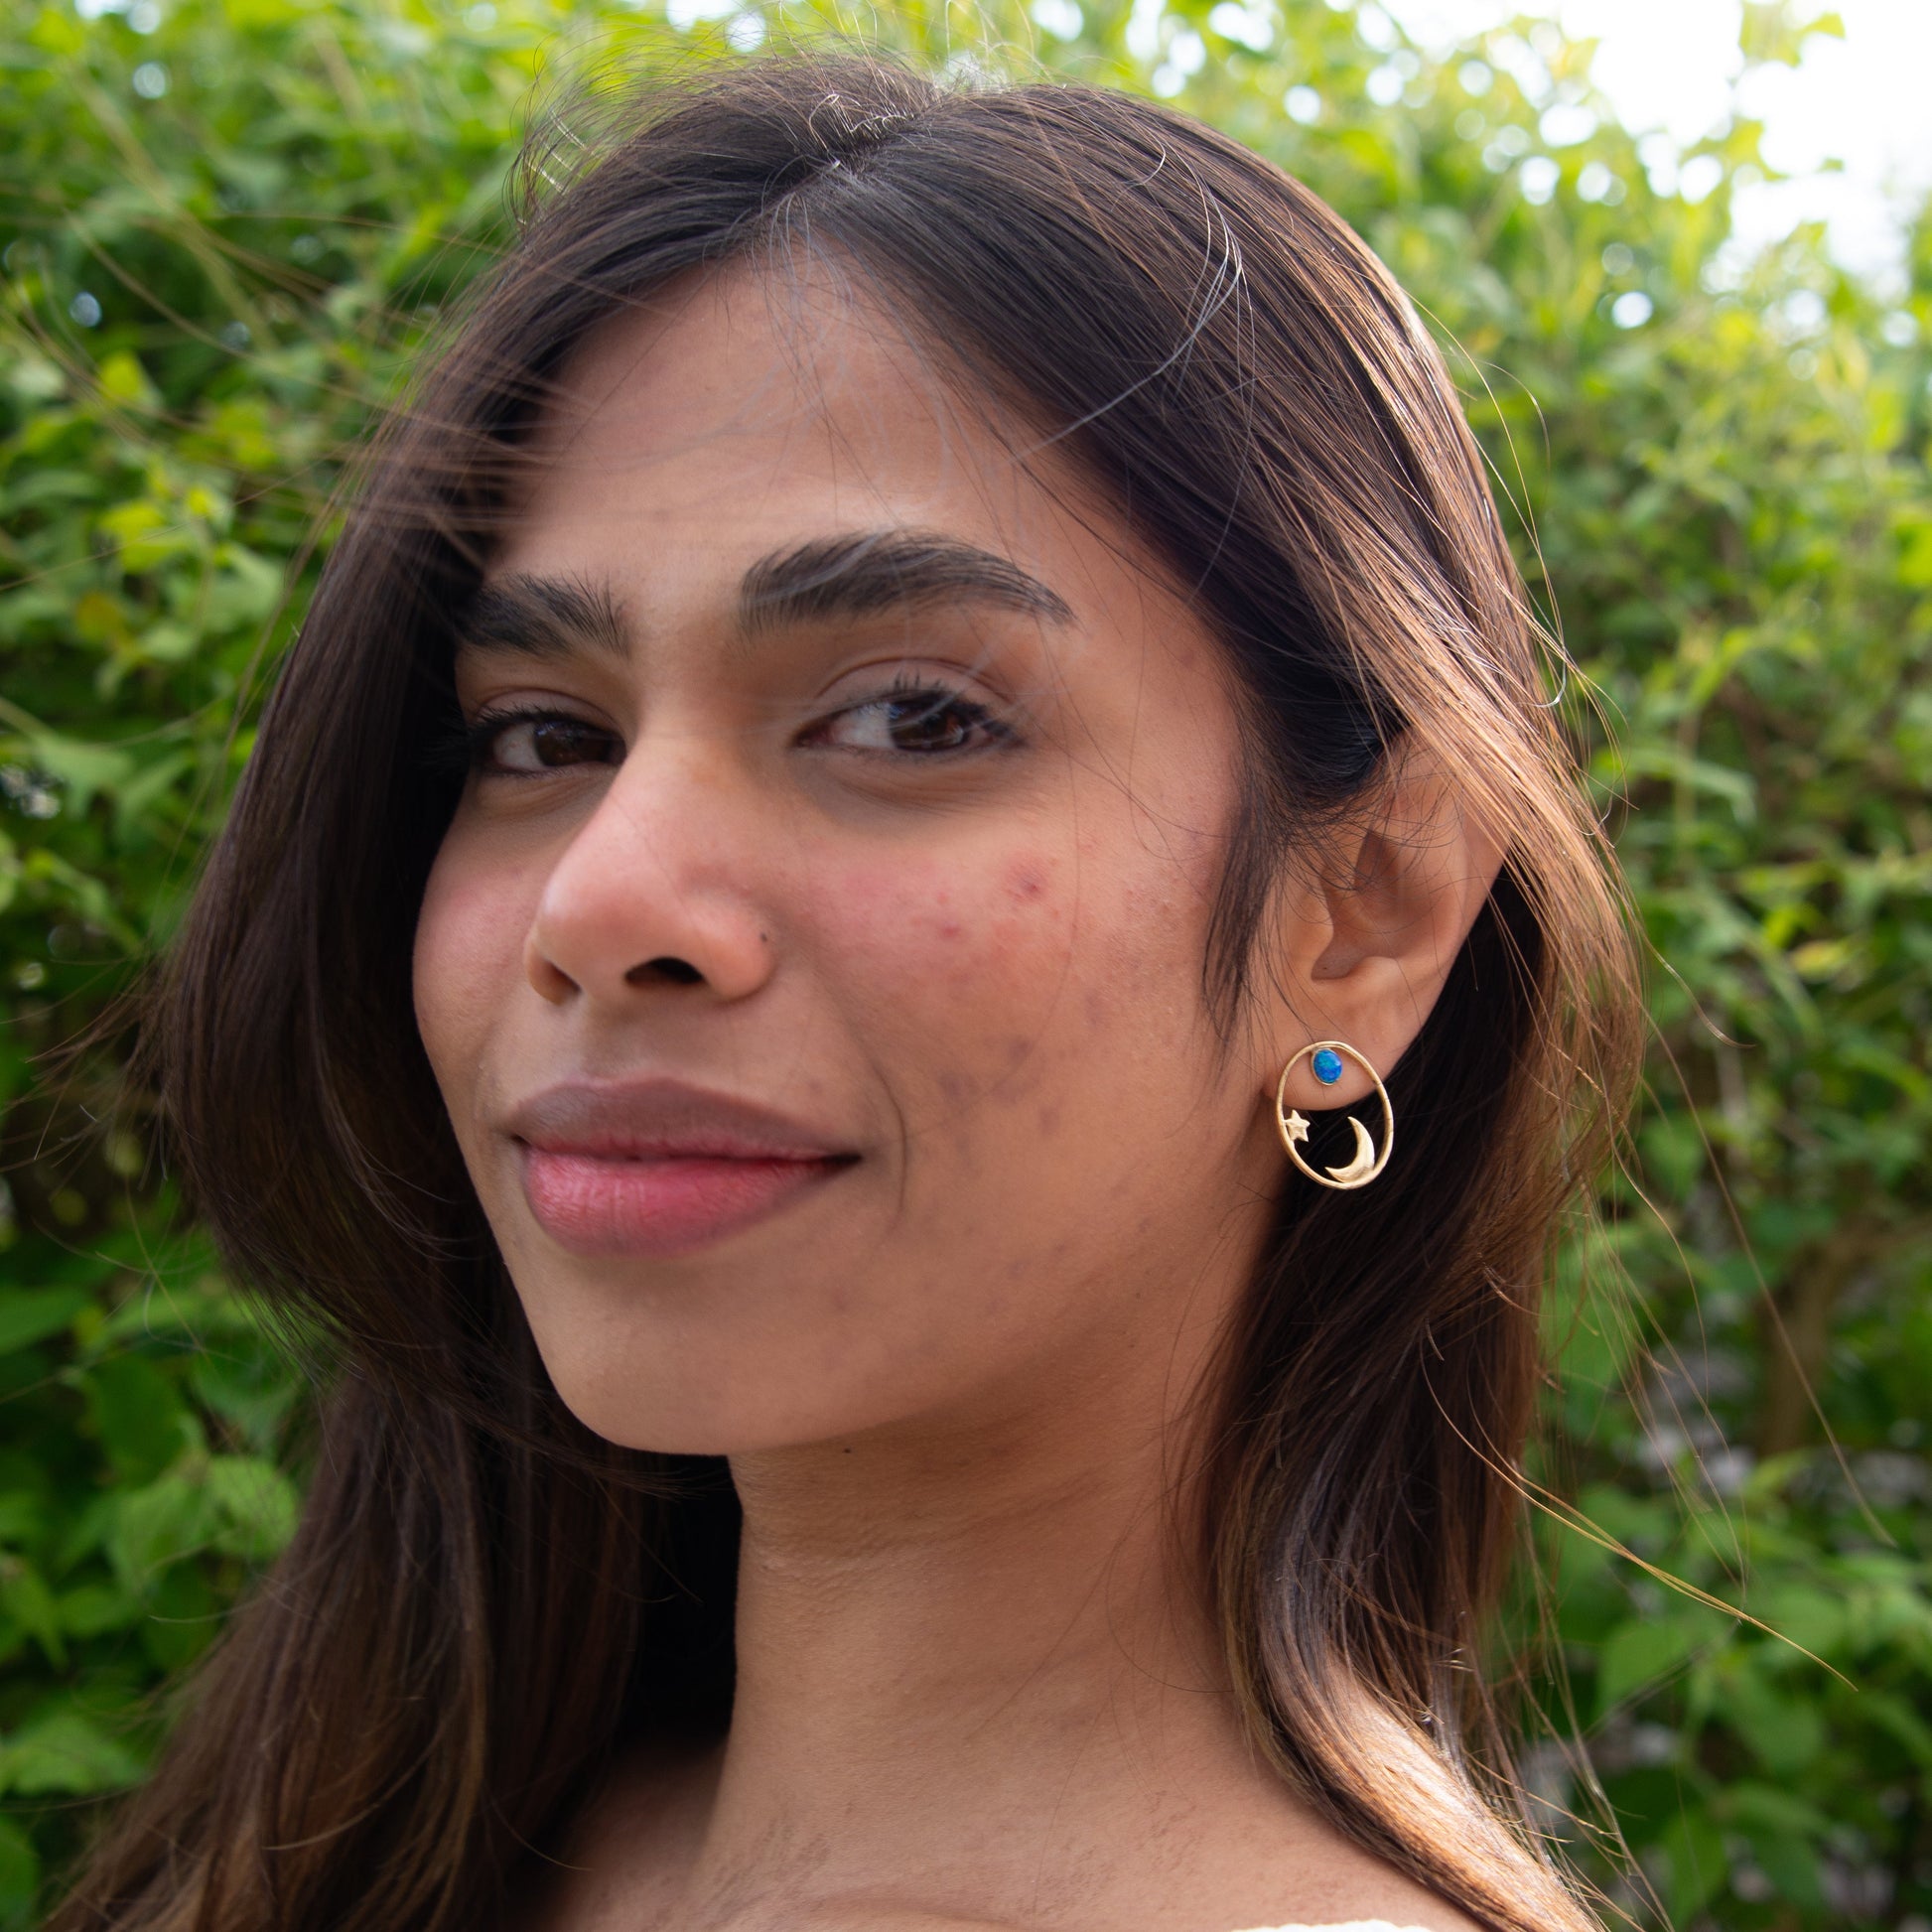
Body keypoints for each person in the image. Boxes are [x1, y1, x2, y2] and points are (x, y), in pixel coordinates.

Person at [50, 49, 1640, 1932]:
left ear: (1362, 916)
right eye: (542, 732)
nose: (601, 894)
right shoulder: (370, 1827)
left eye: (910, 716)